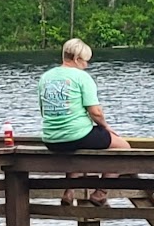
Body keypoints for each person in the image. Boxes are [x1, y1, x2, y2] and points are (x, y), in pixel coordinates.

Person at [37, 37, 131, 207]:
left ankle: (69, 190)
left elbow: (44, 111)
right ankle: (100, 192)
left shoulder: (45, 77)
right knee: (124, 149)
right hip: (77, 135)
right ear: (76, 59)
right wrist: (106, 127)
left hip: (52, 139)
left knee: (76, 152)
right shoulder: (81, 77)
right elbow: (95, 112)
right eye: (85, 61)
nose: (87, 65)